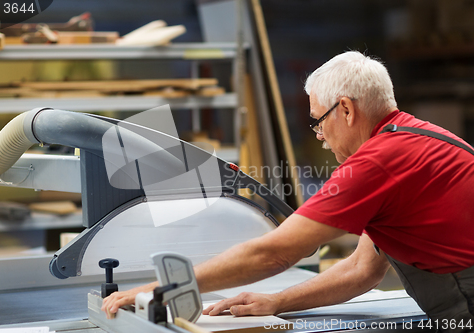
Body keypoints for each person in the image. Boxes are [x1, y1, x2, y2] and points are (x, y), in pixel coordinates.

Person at [102, 51, 474, 332]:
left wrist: (158, 289)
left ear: (345, 109)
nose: (320, 137)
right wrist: (276, 300)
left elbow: (273, 254)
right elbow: (363, 269)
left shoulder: (377, 162)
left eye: (318, 121)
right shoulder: (419, 138)